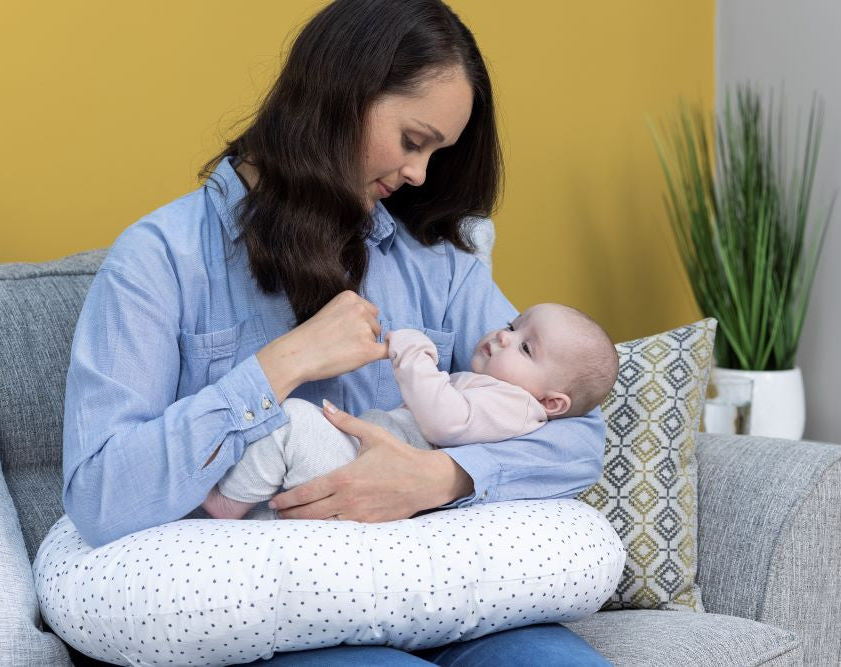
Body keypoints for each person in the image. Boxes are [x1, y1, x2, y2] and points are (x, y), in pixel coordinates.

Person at [60, 0, 613, 663]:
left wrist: (441, 476)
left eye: (437, 152)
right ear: (342, 96)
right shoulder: (162, 260)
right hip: (274, 616)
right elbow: (97, 495)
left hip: (434, 599)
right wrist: (278, 365)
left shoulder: (436, 262)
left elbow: (577, 430)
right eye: (413, 141)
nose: (419, 175)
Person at [202, 303, 620, 520]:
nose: (504, 337)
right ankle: (245, 511)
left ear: (551, 403)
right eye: (512, 326)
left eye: (526, 347)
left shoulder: (516, 404)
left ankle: (226, 503)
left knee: (292, 421)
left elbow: (446, 420)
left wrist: (415, 354)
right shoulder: (503, 393)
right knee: (291, 454)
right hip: (360, 458)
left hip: (365, 466)